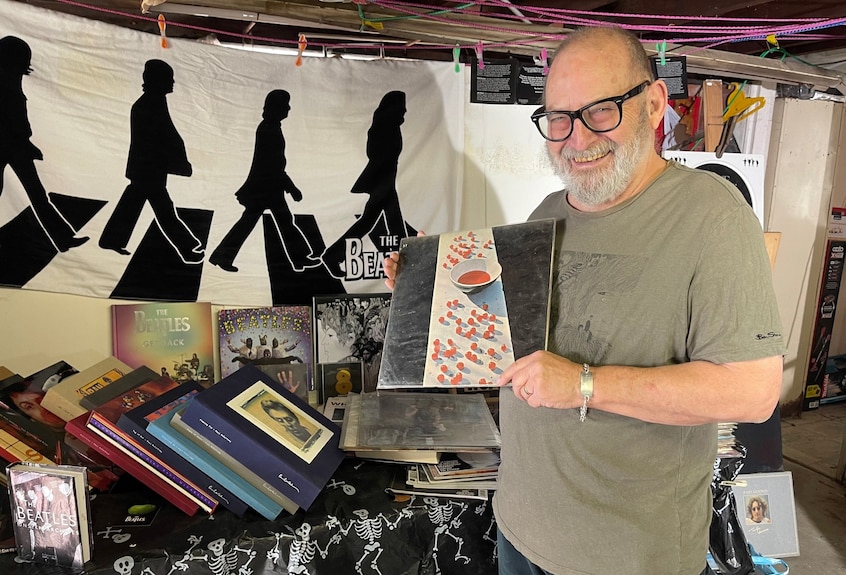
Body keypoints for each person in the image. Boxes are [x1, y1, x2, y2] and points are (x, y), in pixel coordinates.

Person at [384, 26, 785, 575]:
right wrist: (428, 295)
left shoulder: (713, 219)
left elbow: (753, 391)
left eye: (600, 111)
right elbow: (508, 340)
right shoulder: (548, 209)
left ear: (653, 104)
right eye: (558, 118)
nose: (576, 138)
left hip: (626, 557)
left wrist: (584, 384)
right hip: (520, 528)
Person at [0, 36, 89, 253]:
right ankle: (63, 238)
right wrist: (26, 143)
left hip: (6, 140)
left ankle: (63, 238)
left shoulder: (6, 77)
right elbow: (6, 115)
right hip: (8, 141)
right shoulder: (0, 79)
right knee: (23, 191)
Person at [98, 59, 203, 264]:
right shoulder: (149, 104)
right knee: (165, 211)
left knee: (133, 205)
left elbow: (165, 137)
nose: (173, 82)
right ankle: (187, 248)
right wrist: (177, 163)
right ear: (158, 80)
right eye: (168, 78)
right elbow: (159, 139)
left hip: (146, 169)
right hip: (149, 169)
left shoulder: (152, 102)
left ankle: (111, 240)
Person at [209, 90, 319, 273]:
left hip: (267, 186)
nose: (289, 108)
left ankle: (299, 259)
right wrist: (291, 188)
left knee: (273, 222)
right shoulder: (269, 129)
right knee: (269, 222)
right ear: (277, 107)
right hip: (266, 187)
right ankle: (299, 258)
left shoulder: (270, 126)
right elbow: (273, 164)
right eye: (286, 104)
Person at [321, 91, 409, 278]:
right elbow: (375, 155)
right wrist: (379, 181)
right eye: (402, 108)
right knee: (390, 226)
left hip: (386, 183)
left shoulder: (389, 127)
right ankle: (331, 256)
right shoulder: (384, 128)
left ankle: (332, 255)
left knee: (379, 224)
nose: (404, 111)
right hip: (382, 183)